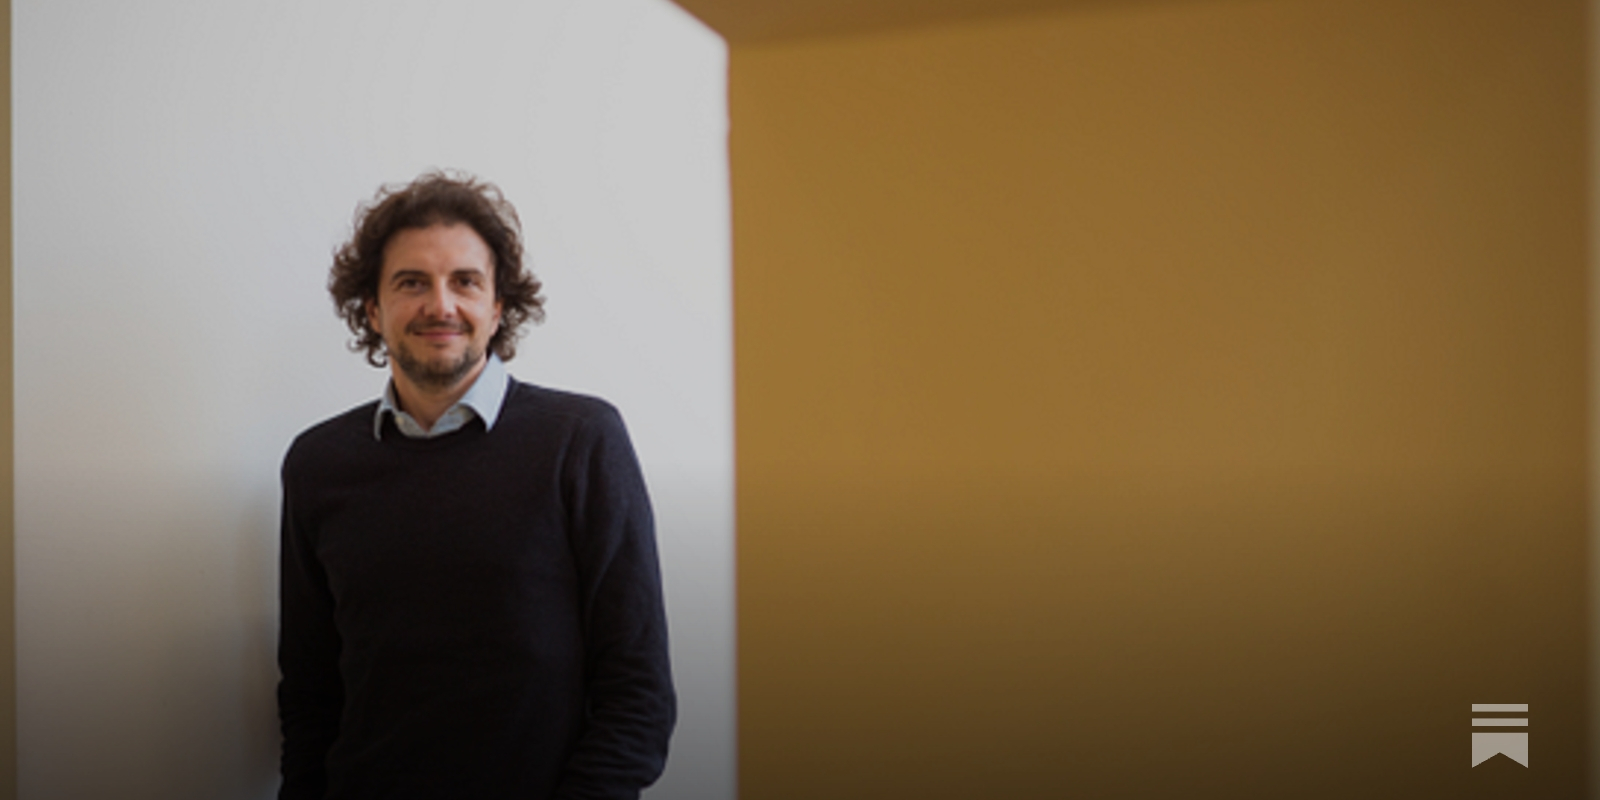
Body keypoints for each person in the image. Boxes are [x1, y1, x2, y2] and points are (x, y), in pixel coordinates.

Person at [277, 171, 675, 800]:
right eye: (412, 283)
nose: (441, 305)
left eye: (465, 282)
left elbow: (638, 692)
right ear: (373, 310)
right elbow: (308, 691)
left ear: (497, 308)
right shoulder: (317, 463)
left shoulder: (581, 440)